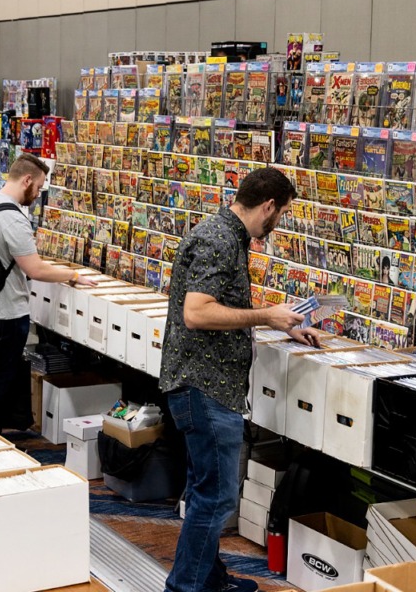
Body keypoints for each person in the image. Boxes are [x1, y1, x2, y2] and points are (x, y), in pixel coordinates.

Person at [159, 168, 319, 592]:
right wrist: (267, 314)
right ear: (268, 206)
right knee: (217, 498)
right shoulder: (219, 239)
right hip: (205, 386)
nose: (278, 222)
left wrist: (280, 323)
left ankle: (208, 579)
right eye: (280, 213)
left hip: (206, 385)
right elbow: (197, 312)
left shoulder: (222, 232)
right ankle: (185, 588)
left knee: (203, 491)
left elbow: (222, 306)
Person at [0, 153, 97, 434]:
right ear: (26, 180)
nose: (37, 195)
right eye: (37, 187)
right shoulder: (13, 218)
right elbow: (35, 269)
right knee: (0, 377)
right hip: (4, 311)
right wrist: (73, 275)